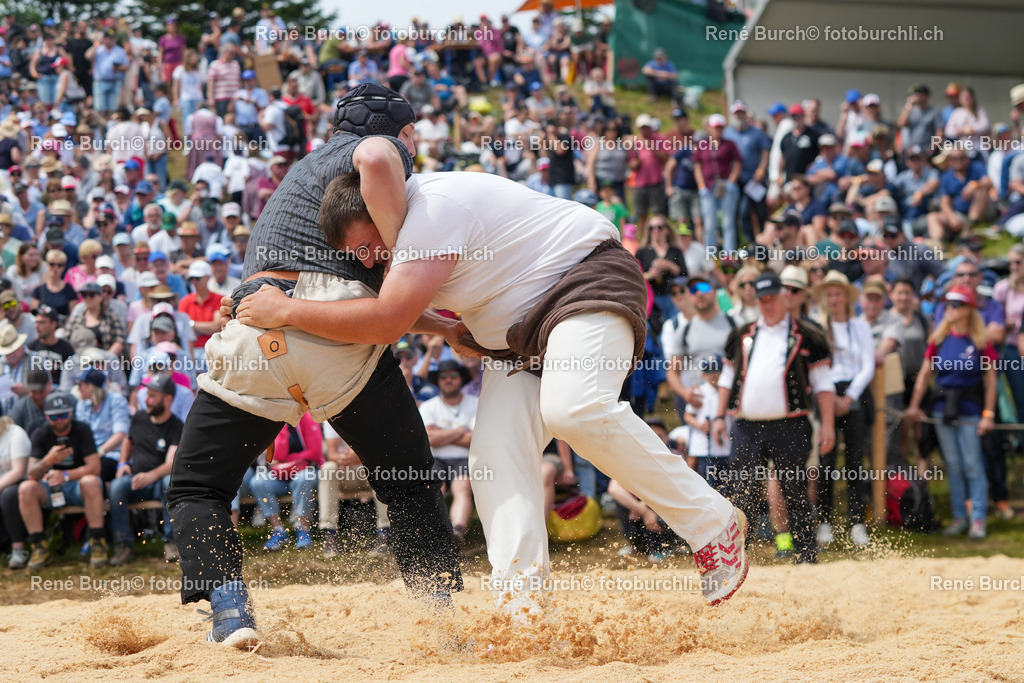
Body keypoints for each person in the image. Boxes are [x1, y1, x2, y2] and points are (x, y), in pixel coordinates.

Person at [237, 168, 749, 614]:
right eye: (359, 255)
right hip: (516, 339)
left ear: (380, 209)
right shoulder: (393, 237)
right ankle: (522, 608)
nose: (370, 260)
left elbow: (387, 319)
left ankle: (713, 524)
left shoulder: (429, 210)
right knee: (494, 458)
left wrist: (285, 312)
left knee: (575, 408)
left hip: (584, 282)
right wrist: (444, 328)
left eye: (369, 245)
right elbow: (378, 305)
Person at [164, 84, 462, 649]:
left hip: (256, 331)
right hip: (339, 340)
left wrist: (442, 327)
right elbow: (353, 283)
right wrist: (404, 254)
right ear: (403, 132)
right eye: (411, 137)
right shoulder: (382, 153)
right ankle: (443, 620)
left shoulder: (304, 169)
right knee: (410, 485)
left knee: (197, 487)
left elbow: (330, 287)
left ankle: (230, 611)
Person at [711, 272, 835, 564]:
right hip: (746, 425)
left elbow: (824, 384)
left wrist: (827, 423)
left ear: (785, 297)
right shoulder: (742, 334)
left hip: (790, 424)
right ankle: (737, 558)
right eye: (762, 300)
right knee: (742, 491)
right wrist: (718, 416)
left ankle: (806, 555)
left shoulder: (808, 335)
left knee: (795, 490)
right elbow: (727, 378)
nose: (767, 305)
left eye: (772, 298)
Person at [905, 285, 995, 540]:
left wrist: (988, 414)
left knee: (973, 465)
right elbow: (924, 376)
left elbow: (990, 382)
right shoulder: (939, 339)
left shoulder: (981, 341)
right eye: (948, 304)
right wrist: (914, 406)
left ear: (968, 310)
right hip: (942, 410)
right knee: (953, 465)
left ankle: (977, 518)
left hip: (970, 410)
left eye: (957, 304)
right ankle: (959, 517)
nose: (950, 309)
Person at [812, 271, 875, 548]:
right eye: (830, 294)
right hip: (826, 391)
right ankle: (825, 521)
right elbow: (816, 365)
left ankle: (857, 521)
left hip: (854, 394)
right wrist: (832, 397)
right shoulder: (818, 325)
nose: (834, 298)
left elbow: (867, 364)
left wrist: (849, 396)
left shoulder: (859, 326)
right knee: (826, 459)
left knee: (854, 460)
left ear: (846, 297)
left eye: (838, 293)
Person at [17, 391, 105, 569]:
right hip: (50, 487)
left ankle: (97, 541)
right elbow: (31, 474)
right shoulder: (39, 433)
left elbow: (95, 467)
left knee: (91, 481)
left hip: (77, 486)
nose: (59, 420)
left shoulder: (82, 429)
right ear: (46, 417)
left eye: (63, 415)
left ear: (71, 413)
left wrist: (65, 475)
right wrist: (48, 461)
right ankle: (39, 546)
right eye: (54, 416)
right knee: (26, 488)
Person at [109, 373, 181, 566]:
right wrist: (123, 463)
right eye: (146, 394)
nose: (146, 400)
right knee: (116, 487)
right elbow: (128, 441)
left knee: (169, 485)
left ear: (167, 399)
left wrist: (150, 476)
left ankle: (171, 542)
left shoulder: (176, 426)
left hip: (158, 480)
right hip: (136, 480)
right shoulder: (139, 418)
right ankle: (123, 545)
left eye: (152, 396)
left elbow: (171, 463)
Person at [420, 360, 478, 551]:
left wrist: (441, 433)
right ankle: (436, 535)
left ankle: (457, 533)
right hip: (436, 458)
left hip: (465, 457)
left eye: (453, 376)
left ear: (461, 378)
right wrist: (462, 430)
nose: (448, 380)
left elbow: (475, 440)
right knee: (436, 488)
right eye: (443, 376)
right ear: (438, 381)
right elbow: (429, 439)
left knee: (463, 486)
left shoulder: (475, 403)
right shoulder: (428, 406)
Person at [249, 413, 322, 551]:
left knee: (304, 478)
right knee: (258, 482)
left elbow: (315, 452)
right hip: (281, 474)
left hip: (305, 470)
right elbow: (274, 458)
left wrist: (291, 459)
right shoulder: (276, 419)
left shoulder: (306, 418)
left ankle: (303, 529)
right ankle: (278, 530)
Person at [74, 368, 130, 483]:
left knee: (98, 469)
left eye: (81, 384)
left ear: (91, 386)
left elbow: (120, 434)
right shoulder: (82, 404)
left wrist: (99, 452)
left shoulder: (116, 400)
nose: (78, 388)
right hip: (91, 454)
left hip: (113, 454)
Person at [0, 413, 31, 569]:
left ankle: (18, 549)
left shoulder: (16, 434)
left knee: (8, 495)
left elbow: (18, 471)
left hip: (19, 483)